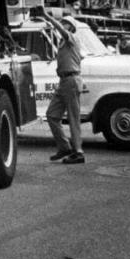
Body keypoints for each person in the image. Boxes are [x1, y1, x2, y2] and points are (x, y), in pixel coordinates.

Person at [45, 16, 85, 164]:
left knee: (73, 118)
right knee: (52, 115)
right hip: (64, 81)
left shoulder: (72, 38)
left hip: (71, 80)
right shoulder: (64, 43)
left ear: (71, 27)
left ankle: (78, 152)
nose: (62, 25)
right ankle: (64, 147)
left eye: (65, 23)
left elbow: (60, 30)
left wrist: (46, 16)